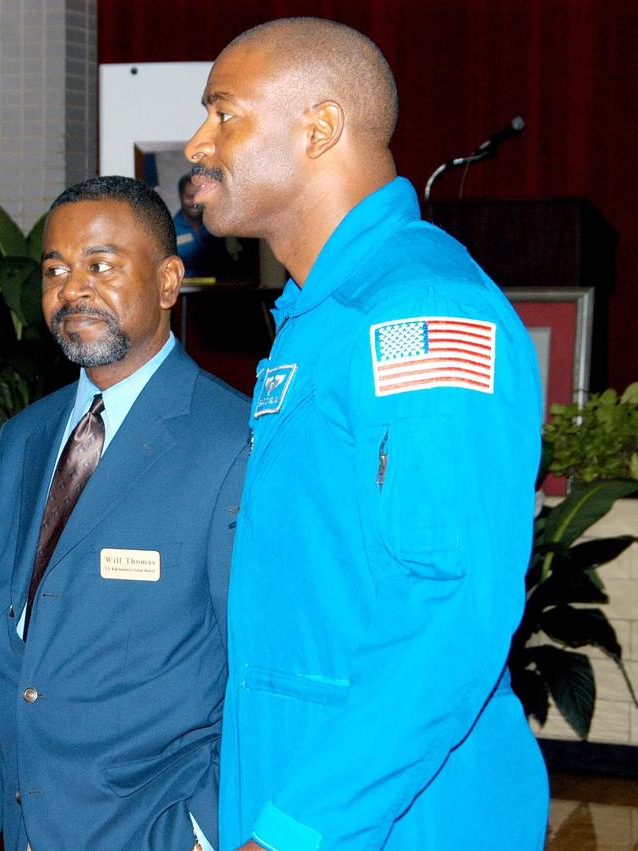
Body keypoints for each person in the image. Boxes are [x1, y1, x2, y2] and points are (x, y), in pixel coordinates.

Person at [184, 17, 547, 850]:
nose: (199, 143)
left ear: (319, 129)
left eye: (224, 112)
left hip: (399, 817)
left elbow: (448, 606)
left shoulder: (420, 312)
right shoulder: (323, 317)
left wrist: (298, 829)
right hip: (299, 795)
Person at [0, 176, 249, 851]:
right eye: (56, 269)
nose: (73, 288)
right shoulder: (25, 438)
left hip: (152, 830)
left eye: (101, 265)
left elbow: (258, 669)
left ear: (167, 282)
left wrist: (205, 831)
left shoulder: (230, 440)